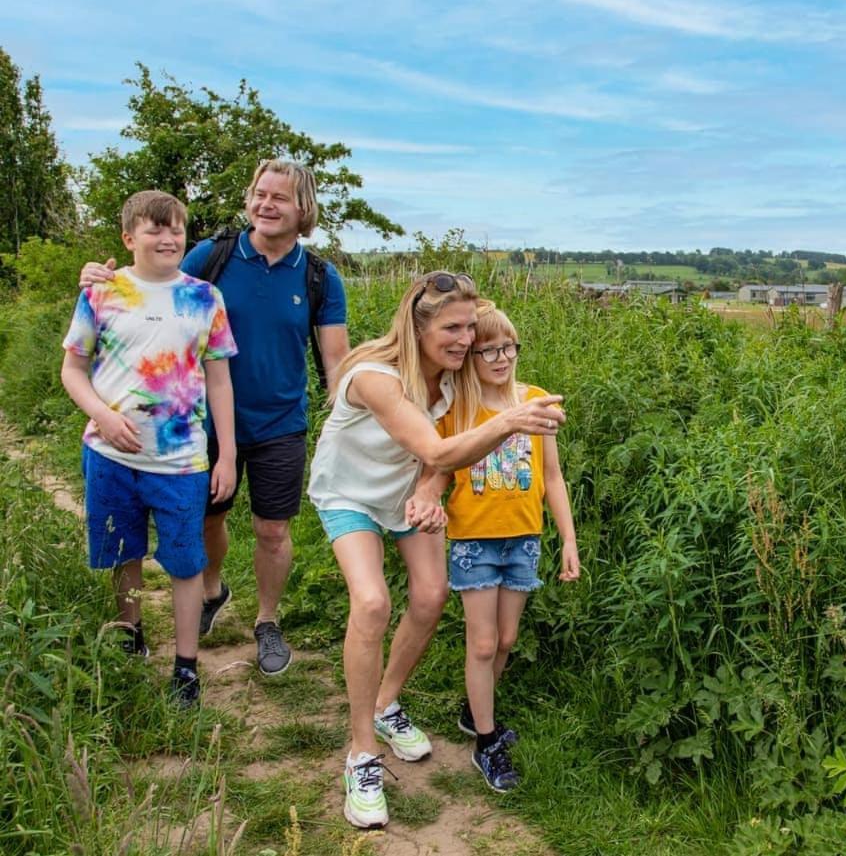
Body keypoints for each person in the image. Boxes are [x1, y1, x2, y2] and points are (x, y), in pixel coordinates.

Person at [306, 272, 566, 829]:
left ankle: (385, 705)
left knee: (430, 595)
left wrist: (427, 490)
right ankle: (361, 755)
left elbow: (434, 462)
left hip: (403, 498)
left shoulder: (449, 382)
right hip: (349, 495)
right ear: (418, 325)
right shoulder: (374, 376)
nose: (465, 338)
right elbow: (434, 444)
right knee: (373, 602)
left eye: (470, 326)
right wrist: (513, 420)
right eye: (453, 327)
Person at [79, 160, 350, 675]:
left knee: (273, 530)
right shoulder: (216, 254)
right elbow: (154, 285)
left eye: (280, 197)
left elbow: (335, 357)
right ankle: (211, 590)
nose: (266, 204)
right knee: (208, 518)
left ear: (303, 209)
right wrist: (102, 279)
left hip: (281, 423)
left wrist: (343, 406)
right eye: (259, 194)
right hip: (198, 422)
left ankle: (267, 623)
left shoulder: (319, 276)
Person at [61, 190, 238, 708]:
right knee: (123, 553)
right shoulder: (101, 291)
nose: (168, 238)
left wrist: (226, 453)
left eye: (176, 229)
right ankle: (129, 633)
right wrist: (103, 416)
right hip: (110, 456)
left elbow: (220, 380)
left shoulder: (205, 298)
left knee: (186, 562)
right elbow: (73, 370)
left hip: (181, 461)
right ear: (128, 237)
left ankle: (186, 668)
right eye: (155, 229)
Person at [437, 302, 580, 792]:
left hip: (524, 538)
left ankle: (474, 711)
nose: (501, 358)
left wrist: (569, 539)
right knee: (480, 641)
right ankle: (486, 741)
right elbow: (436, 467)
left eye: (508, 347)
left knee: (504, 641)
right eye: (488, 350)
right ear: (470, 356)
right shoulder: (457, 409)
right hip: (474, 539)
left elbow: (553, 476)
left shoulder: (536, 400)